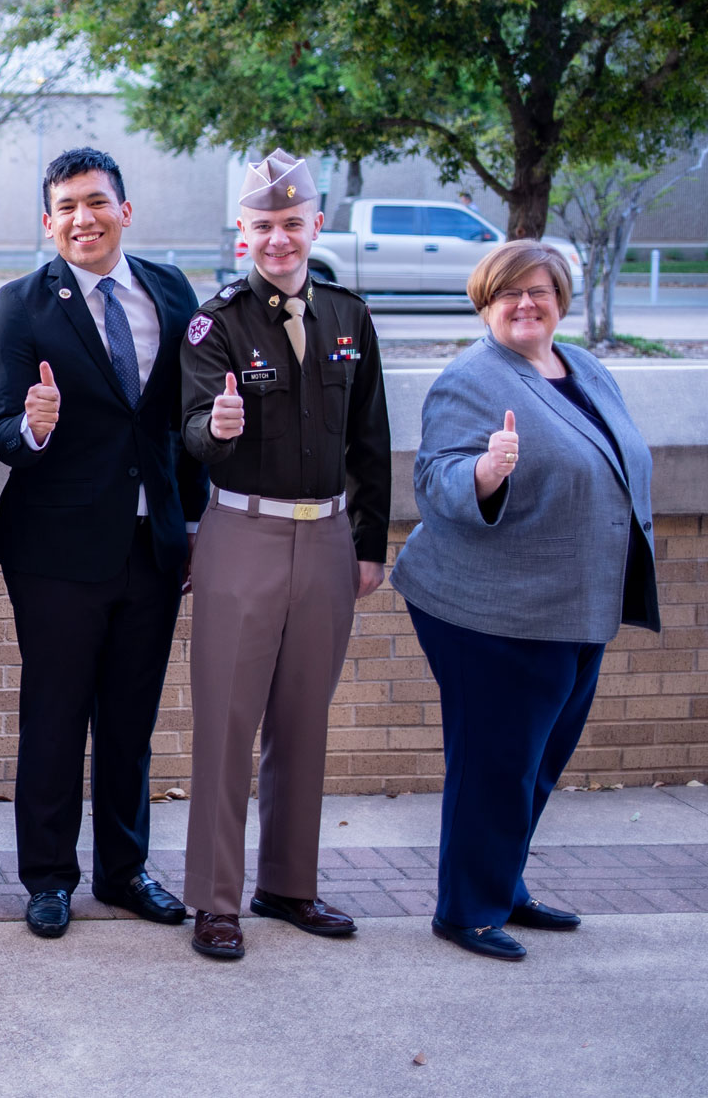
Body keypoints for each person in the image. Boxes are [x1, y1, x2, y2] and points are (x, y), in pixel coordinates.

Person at [391, 241, 658, 962]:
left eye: (538, 290)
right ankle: (465, 910)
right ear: (485, 302)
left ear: (560, 297)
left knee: (537, 762)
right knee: (495, 764)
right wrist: (484, 471)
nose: (525, 304)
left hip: (572, 604)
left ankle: (501, 885)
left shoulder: (585, 368)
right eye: (507, 294)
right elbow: (436, 481)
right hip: (490, 612)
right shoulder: (470, 379)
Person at [0, 147, 207, 940]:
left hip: (153, 547)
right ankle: (48, 877)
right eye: (67, 206)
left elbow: (187, 421)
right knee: (54, 716)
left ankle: (123, 870)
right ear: (49, 222)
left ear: (125, 209)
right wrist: (32, 429)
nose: (84, 218)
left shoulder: (173, 292)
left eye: (97, 202)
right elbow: (3, 428)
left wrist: (196, 523)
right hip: (56, 554)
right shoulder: (20, 304)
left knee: (130, 722)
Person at [179, 149, 390, 960]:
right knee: (228, 726)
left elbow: (372, 442)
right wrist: (218, 430)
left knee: (304, 721)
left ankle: (290, 884)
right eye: (263, 225)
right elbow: (193, 431)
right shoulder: (217, 322)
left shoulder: (348, 316)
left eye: (291, 224)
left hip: (330, 537)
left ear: (315, 226)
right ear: (244, 231)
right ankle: (216, 899)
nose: (278, 240)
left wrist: (369, 549)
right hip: (244, 533)